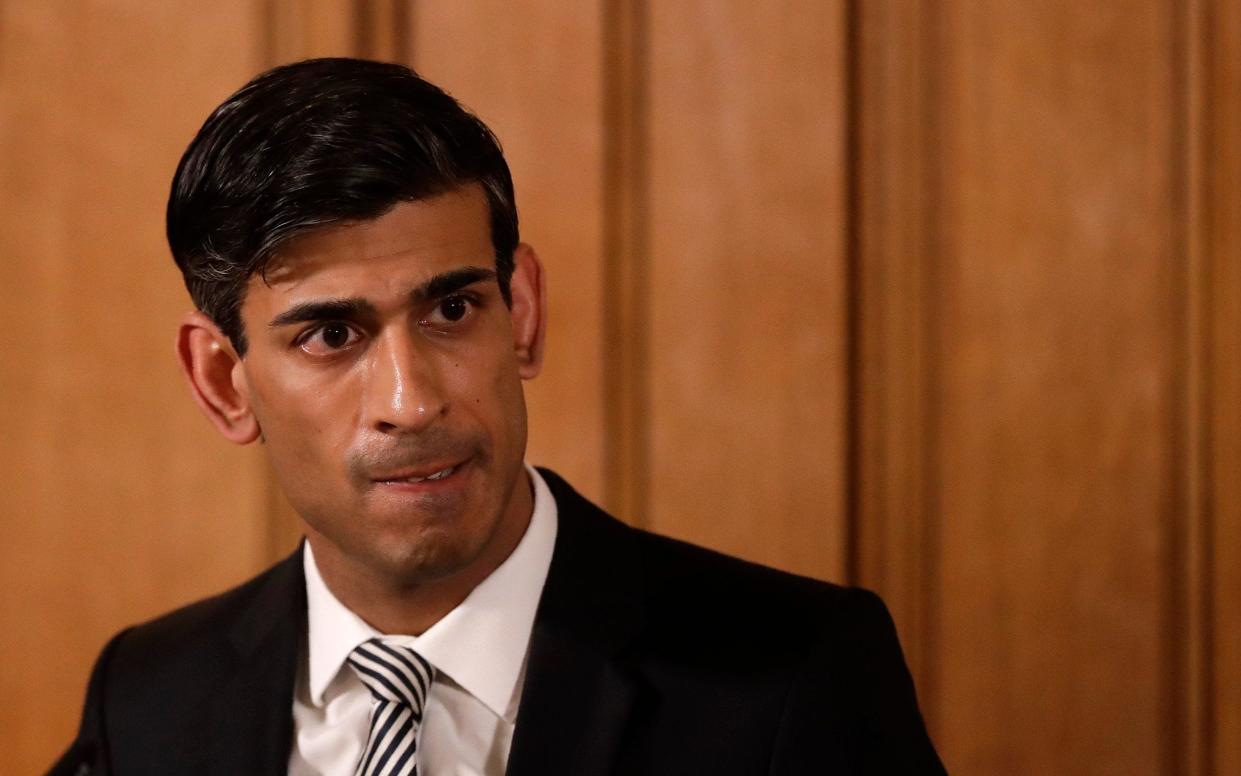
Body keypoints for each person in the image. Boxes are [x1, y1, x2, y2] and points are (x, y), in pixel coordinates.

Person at [51, 57, 945, 775]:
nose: (413, 401)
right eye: (331, 333)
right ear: (223, 382)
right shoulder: (146, 697)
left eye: (451, 310)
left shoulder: (796, 677)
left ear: (520, 312)